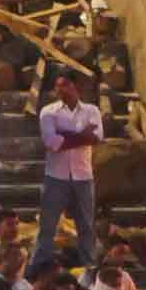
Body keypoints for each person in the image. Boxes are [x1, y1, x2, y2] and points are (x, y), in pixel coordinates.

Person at [33, 72, 101, 267]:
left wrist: (66, 136)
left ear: (76, 87)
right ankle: (39, 266)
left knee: (86, 226)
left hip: (83, 176)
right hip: (56, 176)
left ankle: (89, 266)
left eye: (65, 85)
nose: (60, 90)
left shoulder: (92, 110)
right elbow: (52, 143)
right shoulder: (48, 111)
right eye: (57, 86)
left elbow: (96, 138)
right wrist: (81, 136)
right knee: (47, 226)